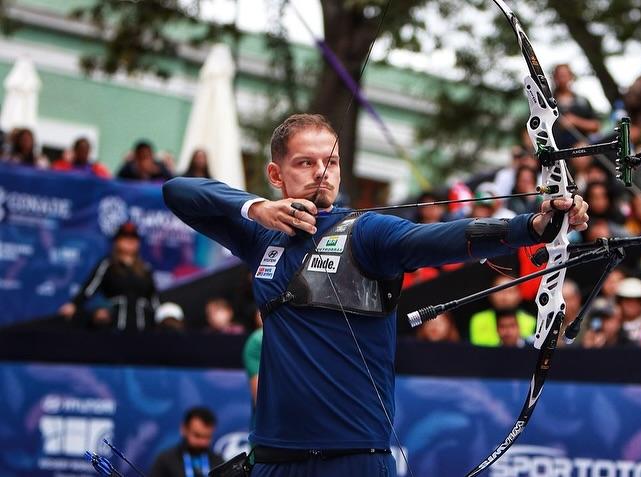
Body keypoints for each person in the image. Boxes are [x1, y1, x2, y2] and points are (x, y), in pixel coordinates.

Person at [162, 113, 589, 477]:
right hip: (272, 458)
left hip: (353, 460)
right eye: (304, 163)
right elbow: (178, 192)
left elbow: (442, 238)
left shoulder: (367, 232)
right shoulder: (261, 236)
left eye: (328, 162)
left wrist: (532, 227)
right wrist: (257, 209)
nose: (319, 173)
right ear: (276, 174)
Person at [58, 222, 160, 331]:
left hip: (143, 327)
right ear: (117, 241)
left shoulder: (146, 268)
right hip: (115, 326)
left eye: (134, 238)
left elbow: (154, 298)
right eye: (125, 237)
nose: (130, 241)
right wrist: (74, 304)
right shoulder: (108, 265)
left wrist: (160, 317)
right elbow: (90, 288)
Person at [149, 407, 224, 477]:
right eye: (197, 436)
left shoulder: (219, 462)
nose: (202, 442)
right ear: (184, 429)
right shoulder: (165, 461)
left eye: (207, 437)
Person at [469, 275, 536, 347]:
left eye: (510, 291)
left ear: (519, 295)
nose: (504, 296)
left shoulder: (531, 321)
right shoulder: (478, 320)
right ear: (490, 294)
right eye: (500, 290)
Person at [551, 64, 601, 148]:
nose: (562, 79)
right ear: (554, 78)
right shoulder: (547, 103)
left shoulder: (582, 101)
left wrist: (575, 121)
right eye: (559, 76)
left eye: (564, 75)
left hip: (582, 146)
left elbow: (596, 126)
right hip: (557, 148)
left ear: (571, 77)